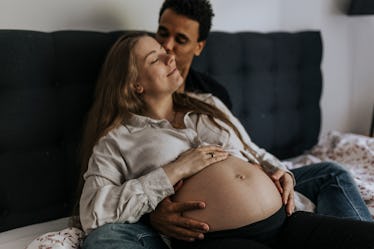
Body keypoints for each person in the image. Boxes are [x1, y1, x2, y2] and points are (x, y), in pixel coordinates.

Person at [79, 32, 374, 249]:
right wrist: (175, 171)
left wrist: (279, 171)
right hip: (218, 236)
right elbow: (93, 212)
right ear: (135, 84)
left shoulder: (207, 102)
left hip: (285, 218)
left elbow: (252, 150)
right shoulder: (116, 140)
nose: (171, 56)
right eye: (155, 58)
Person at [149, 0, 372, 242]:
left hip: (263, 190)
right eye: (162, 33)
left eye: (180, 39)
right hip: (209, 215)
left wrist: (280, 170)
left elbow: (244, 145)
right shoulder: (141, 94)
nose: (166, 45)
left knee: (332, 172)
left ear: (199, 46)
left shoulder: (211, 94)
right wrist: (151, 211)